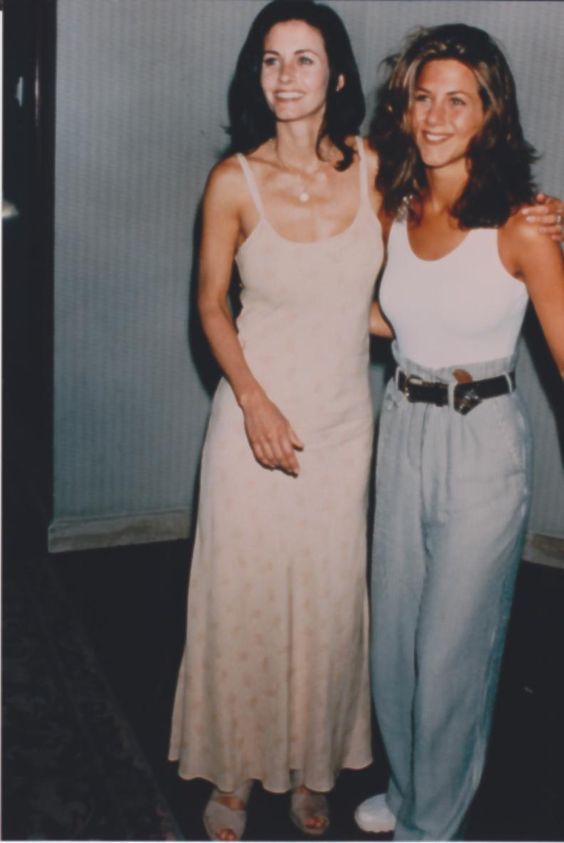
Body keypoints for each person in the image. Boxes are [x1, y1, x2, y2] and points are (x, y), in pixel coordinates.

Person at [169, 2, 384, 839]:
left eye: (304, 59)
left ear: (336, 76)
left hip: (340, 422)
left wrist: (534, 215)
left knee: (329, 603)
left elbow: (424, 252)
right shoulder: (234, 179)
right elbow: (210, 306)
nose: (285, 76)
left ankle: (310, 763)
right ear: (255, 74)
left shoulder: (373, 168)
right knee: (243, 598)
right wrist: (253, 401)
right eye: (270, 59)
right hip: (252, 419)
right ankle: (230, 775)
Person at [354, 23, 564, 841]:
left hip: (482, 444)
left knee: (452, 652)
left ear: (490, 113)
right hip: (403, 425)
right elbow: (380, 314)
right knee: (397, 640)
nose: (436, 116)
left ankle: (432, 822)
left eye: (458, 100)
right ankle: (409, 789)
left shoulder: (522, 226)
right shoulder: (396, 205)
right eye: (422, 97)